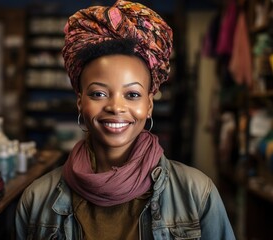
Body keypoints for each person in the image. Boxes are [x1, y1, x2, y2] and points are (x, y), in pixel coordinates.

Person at [15, 1, 236, 239]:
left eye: (132, 95)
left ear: (149, 105)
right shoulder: (37, 200)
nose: (116, 107)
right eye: (98, 93)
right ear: (80, 101)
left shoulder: (197, 194)